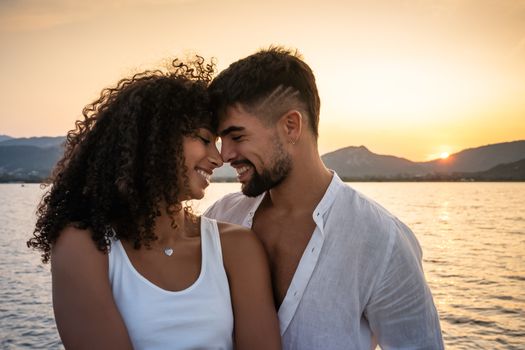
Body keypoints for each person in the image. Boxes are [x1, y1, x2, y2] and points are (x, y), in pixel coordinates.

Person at [27, 57, 281, 350]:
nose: (219, 158)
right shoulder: (84, 247)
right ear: (154, 140)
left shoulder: (236, 246)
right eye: (203, 139)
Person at [205, 47, 444, 349]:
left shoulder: (382, 241)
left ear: (291, 126)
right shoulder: (219, 219)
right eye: (220, 140)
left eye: (237, 137)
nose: (225, 155)